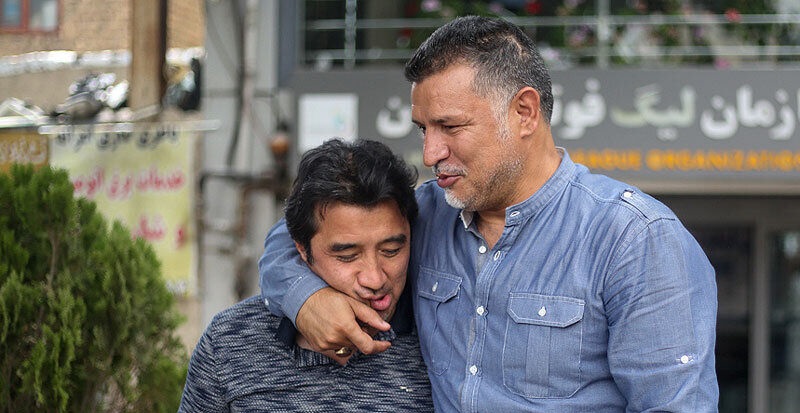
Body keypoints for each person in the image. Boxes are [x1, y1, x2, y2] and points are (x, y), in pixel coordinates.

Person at [259, 16, 719, 412]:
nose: (431, 153)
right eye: (423, 129)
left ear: (524, 112)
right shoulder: (429, 213)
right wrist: (307, 300)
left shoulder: (634, 239)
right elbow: (298, 235)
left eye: (450, 126)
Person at [179, 138, 433, 412]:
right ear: (301, 249)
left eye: (392, 250)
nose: (375, 278)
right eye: (347, 256)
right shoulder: (228, 342)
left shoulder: (438, 337)